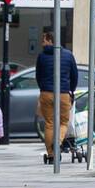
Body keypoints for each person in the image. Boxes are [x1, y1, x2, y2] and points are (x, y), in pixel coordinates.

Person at [36, 29, 78, 164]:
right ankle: (58, 142)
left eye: (44, 40)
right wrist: (71, 90)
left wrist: (43, 88)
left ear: (51, 40)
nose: (42, 43)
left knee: (49, 123)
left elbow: (38, 76)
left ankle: (51, 154)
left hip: (46, 93)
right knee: (64, 122)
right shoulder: (68, 55)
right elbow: (74, 76)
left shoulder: (41, 57)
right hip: (63, 93)